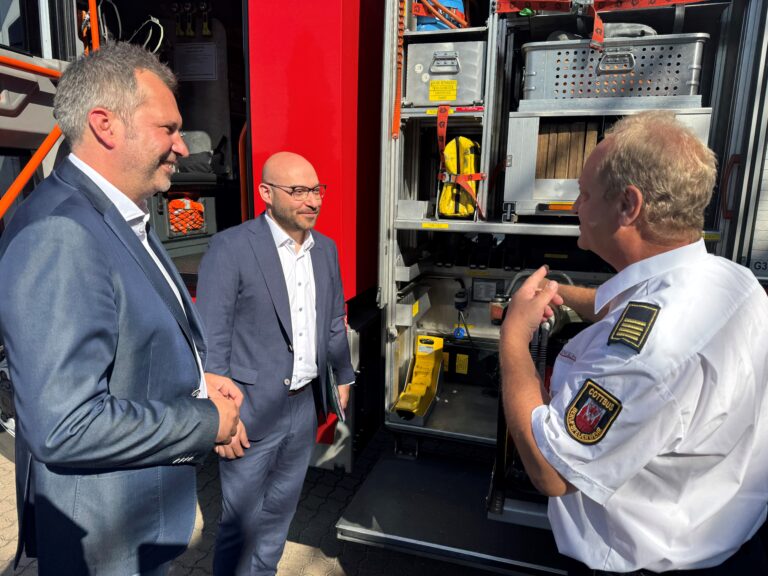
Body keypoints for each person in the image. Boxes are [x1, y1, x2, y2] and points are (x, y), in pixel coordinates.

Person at [0, 43, 240, 575]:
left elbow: (130, 344)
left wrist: (197, 380)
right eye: (168, 129)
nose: (182, 147)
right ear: (105, 125)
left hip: (133, 528)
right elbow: (64, 424)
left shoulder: (116, 214)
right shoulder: (60, 233)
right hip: (105, 545)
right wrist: (205, 420)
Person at [499, 111, 768, 575]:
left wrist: (513, 340)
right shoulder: (734, 281)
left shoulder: (646, 359)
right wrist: (557, 294)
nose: (575, 206)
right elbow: (628, 309)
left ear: (628, 205)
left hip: (649, 565)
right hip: (726, 535)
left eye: (585, 193)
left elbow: (550, 471)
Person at [196, 151, 355, 576]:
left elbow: (333, 320)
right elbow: (212, 338)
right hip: (248, 408)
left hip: (302, 407)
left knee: (279, 516)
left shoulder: (325, 250)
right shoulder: (232, 247)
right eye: (298, 191)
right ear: (266, 193)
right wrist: (218, 414)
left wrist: (343, 375)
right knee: (240, 524)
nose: (313, 201)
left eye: (317, 190)